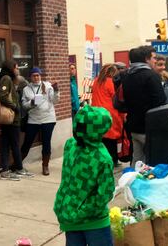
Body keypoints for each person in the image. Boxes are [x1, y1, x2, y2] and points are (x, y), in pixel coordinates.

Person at [53, 105, 115, 246]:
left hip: (69, 214)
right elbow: (104, 194)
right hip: (94, 222)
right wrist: (81, 213)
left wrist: (73, 212)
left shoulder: (70, 145)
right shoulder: (102, 158)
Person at [122, 46, 166, 164]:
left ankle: (134, 180)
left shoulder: (126, 75)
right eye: (154, 58)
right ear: (146, 59)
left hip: (133, 126)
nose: (155, 61)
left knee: (137, 160)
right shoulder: (151, 75)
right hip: (149, 127)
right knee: (153, 161)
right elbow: (161, 100)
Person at [21, 67, 60, 176]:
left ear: (40, 76)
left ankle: (45, 166)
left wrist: (56, 91)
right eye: (34, 75)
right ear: (30, 77)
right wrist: (31, 103)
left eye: (38, 75)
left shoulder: (47, 86)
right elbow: (24, 106)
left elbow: (55, 101)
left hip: (48, 118)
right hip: (33, 119)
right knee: (27, 142)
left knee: (46, 142)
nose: (36, 77)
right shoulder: (26, 89)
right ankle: (18, 164)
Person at [90, 64, 125, 165]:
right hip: (109, 114)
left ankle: (101, 160)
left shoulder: (96, 81)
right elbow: (116, 98)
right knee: (112, 139)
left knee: (102, 138)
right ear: (112, 72)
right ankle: (113, 160)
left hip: (96, 113)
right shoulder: (110, 82)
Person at [0, 60, 24, 180]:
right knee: (14, 144)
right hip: (11, 118)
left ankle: (7, 170)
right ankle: (18, 168)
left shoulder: (10, 79)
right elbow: (2, 96)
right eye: (16, 68)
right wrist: (15, 106)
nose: (17, 70)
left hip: (11, 118)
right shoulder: (6, 78)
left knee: (7, 144)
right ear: (11, 68)